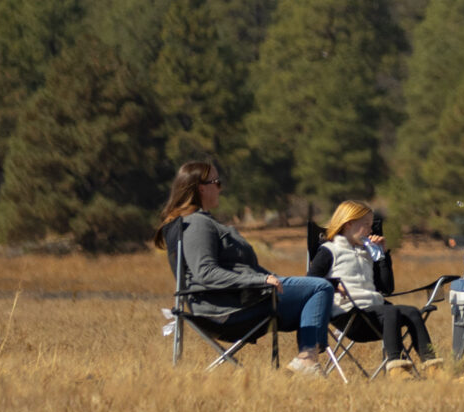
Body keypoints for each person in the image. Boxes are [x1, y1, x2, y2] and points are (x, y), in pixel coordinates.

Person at [161, 160, 335, 374]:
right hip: (227, 310)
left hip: (238, 301)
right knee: (320, 288)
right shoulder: (197, 224)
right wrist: (260, 280)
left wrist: (268, 278)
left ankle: (307, 360)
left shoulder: (201, 222)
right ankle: (307, 360)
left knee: (313, 293)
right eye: (217, 182)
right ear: (201, 188)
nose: (220, 187)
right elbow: (205, 273)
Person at [317, 201, 435, 372]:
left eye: (371, 226)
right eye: (366, 225)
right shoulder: (329, 250)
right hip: (348, 314)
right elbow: (312, 281)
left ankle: (433, 366)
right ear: (348, 224)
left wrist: (382, 256)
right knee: (391, 311)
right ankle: (397, 367)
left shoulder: (367, 252)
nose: (370, 230)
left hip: (374, 314)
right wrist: (334, 284)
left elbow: (387, 288)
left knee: (412, 312)